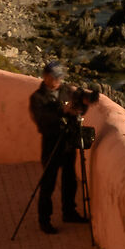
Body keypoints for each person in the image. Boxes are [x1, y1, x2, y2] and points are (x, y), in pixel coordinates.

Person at [28, 61, 90, 233]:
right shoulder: (37, 98)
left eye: (60, 77)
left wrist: (79, 108)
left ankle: (69, 212)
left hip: (67, 142)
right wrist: (63, 112)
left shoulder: (66, 91)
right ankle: (44, 220)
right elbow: (42, 120)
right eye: (56, 77)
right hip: (51, 143)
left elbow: (80, 110)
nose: (58, 80)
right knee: (48, 183)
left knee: (70, 180)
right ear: (46, 77)